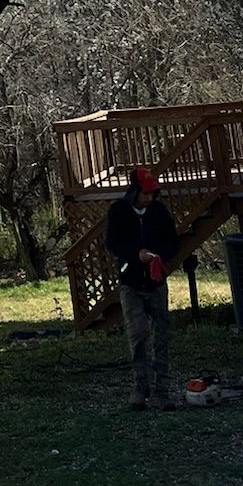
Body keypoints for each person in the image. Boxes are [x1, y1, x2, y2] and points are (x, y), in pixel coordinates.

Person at [105, 165, 179, 409]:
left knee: (162, 336)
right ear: (134, 191)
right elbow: (112, 244)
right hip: (131, 283)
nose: (149, 198)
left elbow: (172, 241)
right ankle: (140, 387)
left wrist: (162, 258)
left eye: (152, 194)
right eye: (145, 193)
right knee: (137, 334)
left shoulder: (159, 212)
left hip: (156, 282)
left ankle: (163, 390)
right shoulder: (118, 212)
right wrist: (135, 255)